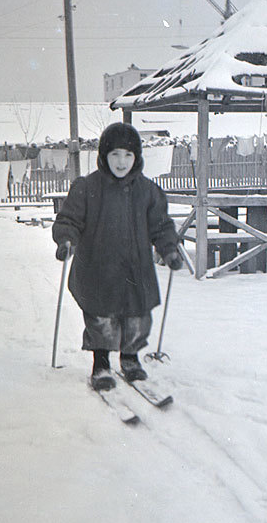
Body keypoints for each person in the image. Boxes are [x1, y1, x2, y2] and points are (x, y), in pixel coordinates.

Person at [52, 122, 183, 391]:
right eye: (114, 155)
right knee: (101, 318)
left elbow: (160, 225)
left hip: (135, 268)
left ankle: (130, 358)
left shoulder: (147, 191)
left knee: (137, 318)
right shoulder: (87, 187)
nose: (121, 162)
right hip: (97, 267)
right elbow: (70, 219)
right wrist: (66, 239)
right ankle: (100, 363)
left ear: (136, 158)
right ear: (103, 156)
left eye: (127, 155)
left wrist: (169, 249)